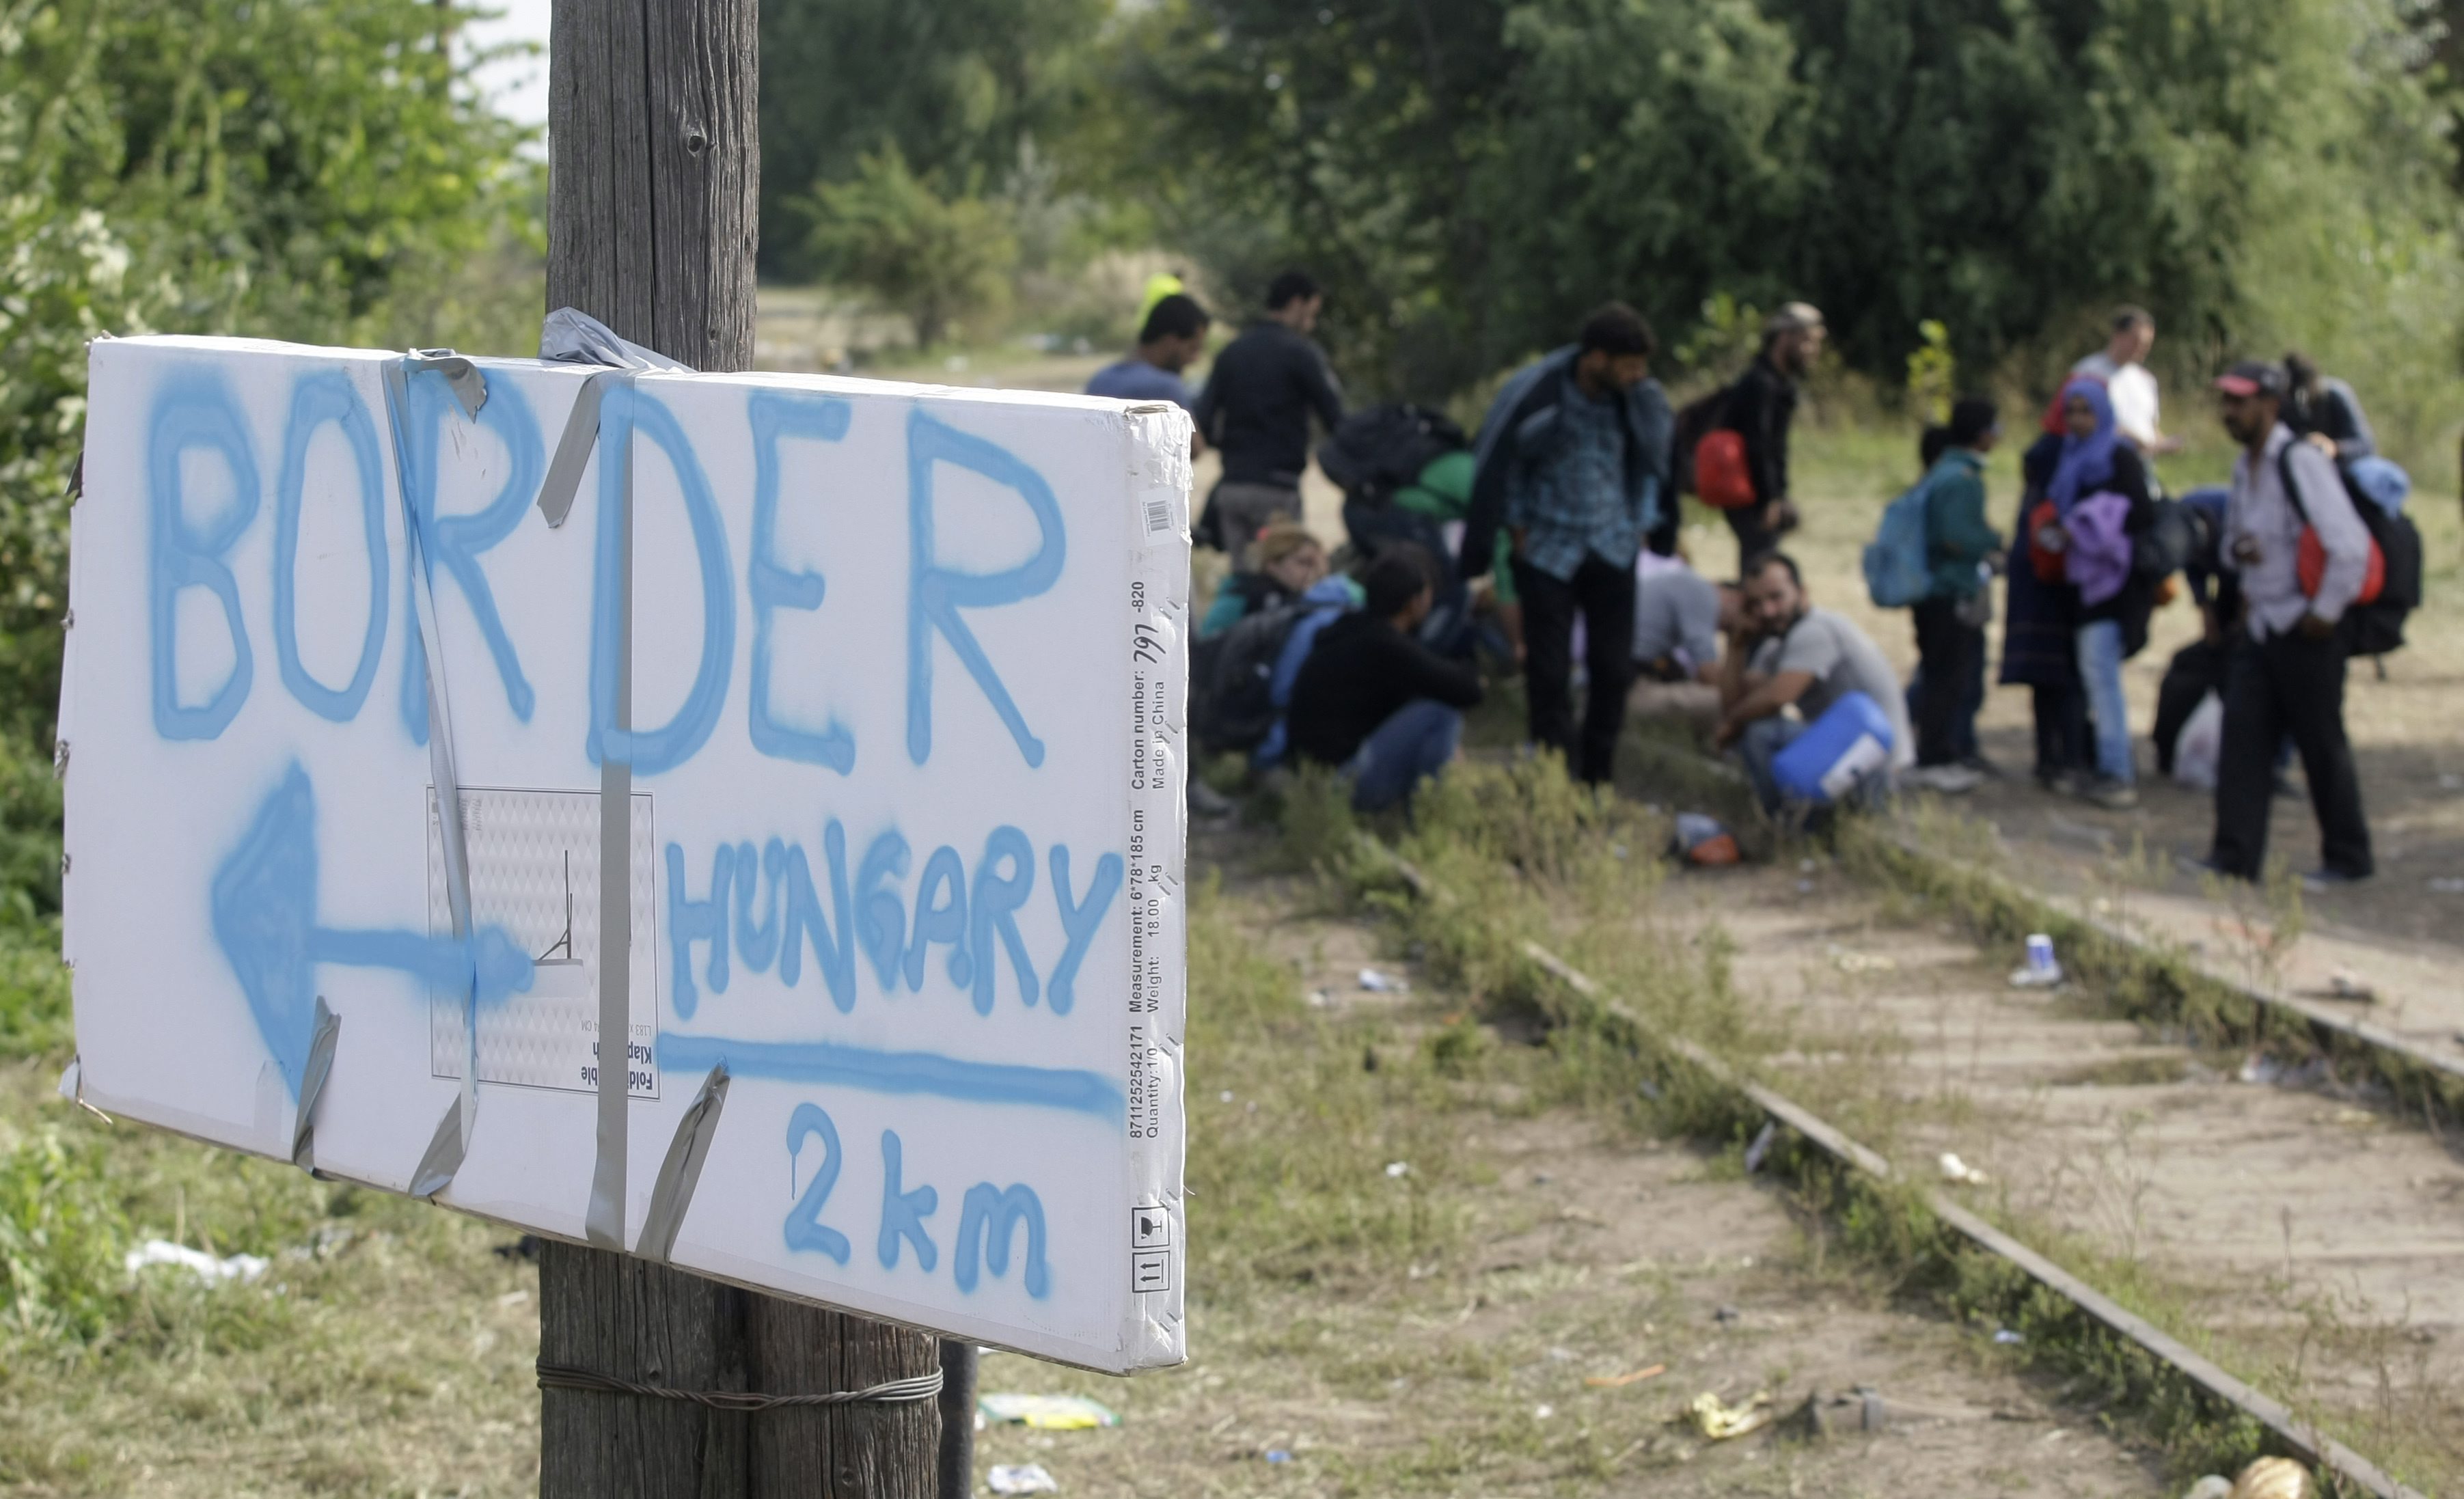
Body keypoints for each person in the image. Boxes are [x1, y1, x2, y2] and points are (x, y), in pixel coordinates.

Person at [1462, 303, 1673, 784]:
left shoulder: (1634, 401)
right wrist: (1515, 525)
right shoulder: (1543, 398)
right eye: (1629, 364)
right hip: (1548, 550)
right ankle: (1557, 777)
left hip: (1613, 546)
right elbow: (1509, 462)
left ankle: (1597, 777)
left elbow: (1651, 462)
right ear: (1598, 358)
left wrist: (1642, 521)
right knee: (1549, 673)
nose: (1638, 375)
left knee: (1612, 670)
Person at [2192, 361, 2374, 889]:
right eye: (2226, 402)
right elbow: (2233, 543)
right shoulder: (2243, 468)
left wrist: (2324, 613)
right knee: (2243, 743)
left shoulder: (2300, 462)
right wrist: (2240, 551)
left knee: (2321, 745)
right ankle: (2234, 856)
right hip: (2263, 624)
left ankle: (2348, 857)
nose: (2231, 412)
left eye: (2240, 402)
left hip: (2306, 626)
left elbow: (2349, 547)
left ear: (2270, 405)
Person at [2030, 381, 2157, 808]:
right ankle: (2102, 762)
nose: (2080, 420)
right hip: (2080, 584)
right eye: (2073, 411)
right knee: (2092, 675)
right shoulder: (2069, 460)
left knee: (2102, 677)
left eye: (2087, 411)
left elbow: (2140, 514)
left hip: (2114, 584)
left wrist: (2087, 522)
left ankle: (2117, 772)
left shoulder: (2119, 457)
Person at [1286, 546, 1483, 812]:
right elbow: (1466, 690)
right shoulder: (1386, 645)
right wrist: (1471, 672)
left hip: (1310, 777)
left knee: (1424, 705)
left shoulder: (1349, 628)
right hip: (1341, 783)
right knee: (1440, 711)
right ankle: (1430, 813)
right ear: (1414, 603)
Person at [1718, 551, 1913, 813]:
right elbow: (1736, 702)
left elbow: (1777, 697)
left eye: (1776, 597)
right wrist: (1737, 645)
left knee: (1759, 735)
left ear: (1802, 592)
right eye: (1755, 603)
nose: (1767, 611)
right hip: (1840, 748)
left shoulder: (1815, 630)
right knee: (1753, 726)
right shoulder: (1776, 643)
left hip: (1876, 761)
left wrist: (1732, 723)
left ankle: (1787, 826)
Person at [1190, 271, 1344, 564]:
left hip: (1233, 487)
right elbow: (1335, 417)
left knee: (1243, 579)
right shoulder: (1302, 353)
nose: (1310, 325)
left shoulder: (1232, 353)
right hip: (1279, 490)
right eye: (1311, 315)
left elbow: (1204, 420)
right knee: (1283, 582)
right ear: (1298, 304)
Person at [1907, 399, 2003, 792]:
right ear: (1982, 434)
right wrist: (1995, 541)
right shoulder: (1961, 478)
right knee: (1949, 677)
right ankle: (1936, 757)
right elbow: (1956, 536)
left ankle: (1938, 750)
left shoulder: (1940, 473)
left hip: (1931, 589)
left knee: (1938, 674)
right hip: (1949, 592)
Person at [1715, 301, 1825, 561]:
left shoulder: (1778, 383)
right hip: (1750, 493)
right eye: (1806, 341)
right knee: (1759, 565)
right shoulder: (1761, 384)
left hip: (1759, 492)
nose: (1812, 351)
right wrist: (1770, 500)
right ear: (1785, 338)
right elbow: (1759, 444)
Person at [1626, 556, 1738, 740]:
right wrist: (1738, 641)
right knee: (1721, 703)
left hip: (1618, 677)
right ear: (1736, 598)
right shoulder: (1703, 593)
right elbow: (1710, 676)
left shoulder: (1684, 582)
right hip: (1625, 690)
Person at [2068, 305, 2180, 455]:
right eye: (2137, 340)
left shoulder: (2146, 380)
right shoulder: (2087, 372)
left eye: (2148, 343)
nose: (2143, 348)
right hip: (2101, 467)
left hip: (2141, 469)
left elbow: (2152, 429)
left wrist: (2165, 444)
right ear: (2117, 335)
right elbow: (2082, 422)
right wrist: (2135, 441)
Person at [1198, 523, 1334, 638]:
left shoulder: (1304, 599)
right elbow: (1210, 642)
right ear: (1273, 564)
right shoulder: (1245, 596)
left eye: (1318, 564)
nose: (1313, 572)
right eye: (1304, 562)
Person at [1086, 293, 1211, 412]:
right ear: (1170, 341)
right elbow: (1191, 435)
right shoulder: (1165, 387)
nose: (1195, 358)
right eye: (1192, 348)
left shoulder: (1100, 379)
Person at [2280, 351, 2377, 463]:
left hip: (2342, 466)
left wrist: (2334, 447)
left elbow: (2366, 446)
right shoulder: (2283, 404)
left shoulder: (2335, 395)